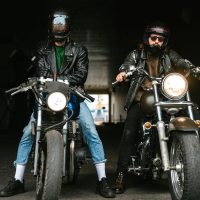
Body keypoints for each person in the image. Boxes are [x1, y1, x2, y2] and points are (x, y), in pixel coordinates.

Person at [0, 8, 115, 198]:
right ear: (50, 25)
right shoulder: (41, 49)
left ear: (68, 26)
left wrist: (63, 81)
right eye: (56, 22)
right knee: (28, 131)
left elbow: (81, 74)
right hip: (48, 97)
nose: (59, 26)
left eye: (63, 22)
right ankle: (18, 179)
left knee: (90, 129)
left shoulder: (79, 50)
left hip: (72, 96)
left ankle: (102, 179)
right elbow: (40, 71)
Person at [112, 20, 200, 194]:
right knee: (129, 132)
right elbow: (127, 65)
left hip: (165, 97)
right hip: (141, 99)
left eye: (160, 39)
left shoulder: (169, 55)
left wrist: (193, 68)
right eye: (153, 38)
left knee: (194, 111)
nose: (157, 42)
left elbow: (181, 62)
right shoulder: (137, 54)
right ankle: (120, 175)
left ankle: (194, 162)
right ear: (147, 39)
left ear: (164, 41)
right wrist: (124, 72)